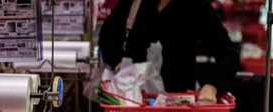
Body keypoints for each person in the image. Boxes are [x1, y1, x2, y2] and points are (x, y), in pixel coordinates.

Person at [98, 0, 240, 102]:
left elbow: (229, 54)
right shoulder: (135, 3)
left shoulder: (197, 6)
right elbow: (107, 37)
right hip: (132, 102)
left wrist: (212, 86)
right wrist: (118, 63)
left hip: (178, 105)